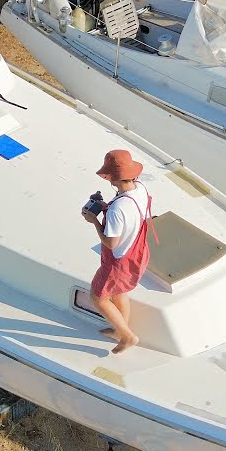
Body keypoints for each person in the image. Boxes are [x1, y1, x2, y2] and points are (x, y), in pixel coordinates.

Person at [82, 149, 153, 354]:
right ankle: (119, 330)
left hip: (117, 261)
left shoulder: (117, 210)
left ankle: (128, 336)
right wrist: (105, 206)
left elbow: (110, 243)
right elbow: (128, 214)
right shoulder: (139, 189)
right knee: (120, 291)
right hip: (136, 253)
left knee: (98, 297)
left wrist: (94, 220)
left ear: (112, 179)